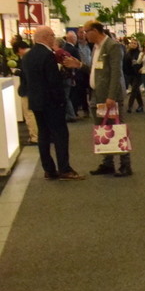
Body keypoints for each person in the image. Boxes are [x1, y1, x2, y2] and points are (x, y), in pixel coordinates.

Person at [21, 26, 84, 181]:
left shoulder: (27, 56)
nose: (54, 38)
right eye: (52, 36)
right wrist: (61, 100)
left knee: (43, 135)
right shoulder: (48, 55)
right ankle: (65, 169)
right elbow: (53, 81)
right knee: (60, 135)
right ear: (46, 37)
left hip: (36, 101)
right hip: (52, 102)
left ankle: (49, 169)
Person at [83, 21, 131, 178]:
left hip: (110, 96)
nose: (85, 35)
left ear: (95, 30)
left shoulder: (112, 46)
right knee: (103, 129)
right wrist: (80, 66)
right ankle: (108, 162)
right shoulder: (96, 48)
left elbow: (116, 73)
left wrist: (111, 96)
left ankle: (125, 164)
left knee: (118, 128)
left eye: (86, 31)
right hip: (97, 94)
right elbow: (96, 71)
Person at [123, 37, 145, 113]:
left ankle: (130, 106)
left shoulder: (139, 53)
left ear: (137, 45)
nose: (133, 44)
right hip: (130, 74)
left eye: (135, 43)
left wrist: (142, 68)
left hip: (138, 74)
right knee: (136, 91)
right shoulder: (127, 52)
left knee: (134, 90)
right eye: (132, 43)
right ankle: (141, 106)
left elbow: (142, 62)